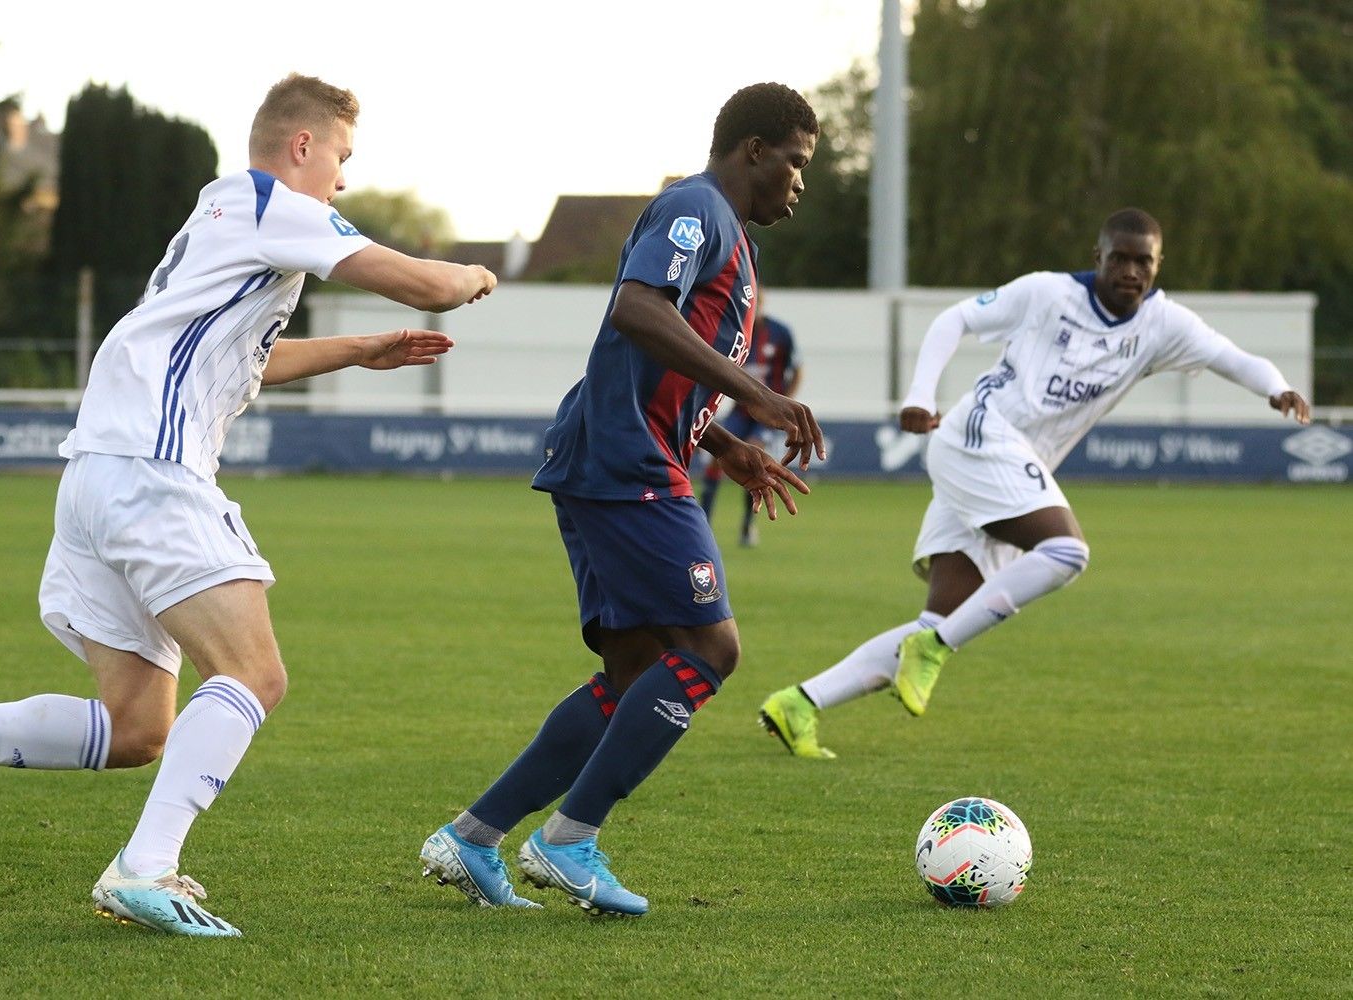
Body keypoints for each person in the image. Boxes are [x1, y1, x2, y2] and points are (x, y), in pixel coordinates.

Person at [0, 73, 497, 937]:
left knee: (136, 727)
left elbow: (246, 361)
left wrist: (358, 350)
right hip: (152, 470)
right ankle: (144, 868)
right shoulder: (275, 203)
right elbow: (423, 283)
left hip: (97, 473)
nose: (342, 180)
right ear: (302, 146)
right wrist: (470, 273)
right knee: (254, 675)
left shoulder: (223, 215)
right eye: (342, 158)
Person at [420, 83, 823, 917]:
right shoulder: (695, 209)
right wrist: (758, 393)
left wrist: (725, 441)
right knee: (712, 648)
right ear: (754, 150)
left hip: (625, 453)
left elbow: (655, 362)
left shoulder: (730, 239)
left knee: (636, 669)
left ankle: (475, 833)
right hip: (626, 461)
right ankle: (569, 841)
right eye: (795, 162)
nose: (799, 182)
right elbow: (637, 312)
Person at [758, 208, 1312, 759]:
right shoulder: (1048, 294)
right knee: (1066, 551)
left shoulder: (1163, 325)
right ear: (1098, 257)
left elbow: (1231, 358)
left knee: (940, 616)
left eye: (1143, 261)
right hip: (979, 436)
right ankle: (934, 649)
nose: (1131, 271)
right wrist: (919, 395)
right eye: (1119, 258)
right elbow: (954, 319)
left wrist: (1277, 388)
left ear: (1158, 265)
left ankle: (800, 703)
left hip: (1009, 467)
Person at [698, 307, 802, 546]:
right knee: (716, 457)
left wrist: (787, 403)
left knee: (754, 456)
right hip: (739, 411)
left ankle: (747, 524)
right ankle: (704, 522)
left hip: (766, 415)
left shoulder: (780, 332)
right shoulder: (736, 330)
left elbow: (798, 369)